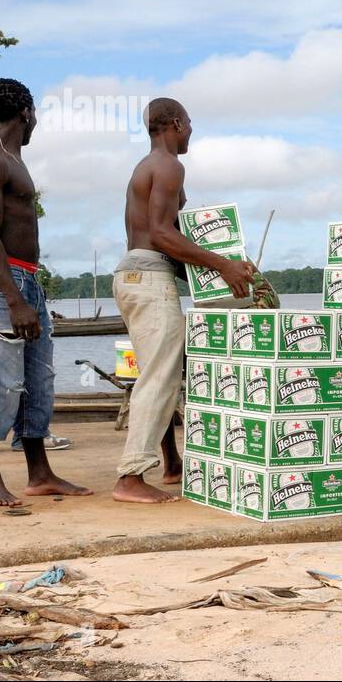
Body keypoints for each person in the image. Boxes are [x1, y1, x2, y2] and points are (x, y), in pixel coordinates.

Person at [112, 98, 255, 504]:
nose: (191, 130)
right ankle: (131, 478)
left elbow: (163, 237)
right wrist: (221, 265)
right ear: (175, 123)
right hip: (149, 276)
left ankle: (170, 464)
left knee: (159, 373)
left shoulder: (147, 166)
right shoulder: (169, 165)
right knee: (159, 377)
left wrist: (225, 263)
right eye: (189, 123)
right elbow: (161, 233)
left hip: (133, 275)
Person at [0, 79, 90, 506]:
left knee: (37, 381)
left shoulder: (12, 157)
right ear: (26, 113)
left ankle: (40, 472)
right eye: (35, 116)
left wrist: (26, 293)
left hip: (25, 281)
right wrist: (14, 299)